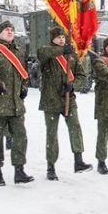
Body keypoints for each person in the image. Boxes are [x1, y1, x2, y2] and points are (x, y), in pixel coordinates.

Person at [0, 21, 34, 186]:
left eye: (12, 30)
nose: (10, 32)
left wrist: (24, 86)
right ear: (0, 33)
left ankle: (19, 170)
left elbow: (23, 73)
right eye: (6, 30)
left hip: (15, 103)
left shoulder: (19, 51)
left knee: (20, 137)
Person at [37, 26, 91, 180]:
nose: (61, 39)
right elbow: (43, 54)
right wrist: (62, 51)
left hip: (69, 98)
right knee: (52, 135)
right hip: (50, 100)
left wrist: (73, 85)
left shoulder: (71, 55)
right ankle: (51, 167)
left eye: (63, 37)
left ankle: (78, 160)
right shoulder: (47, 52)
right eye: (58, 37)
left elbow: (81, 75)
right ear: (52, 39)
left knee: (75, 127)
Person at [92, 36, 108, 175]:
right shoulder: (99, 61)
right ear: (106, 46)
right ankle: (101, 161)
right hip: (105, 103)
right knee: (103, 135)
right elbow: (105, 73)